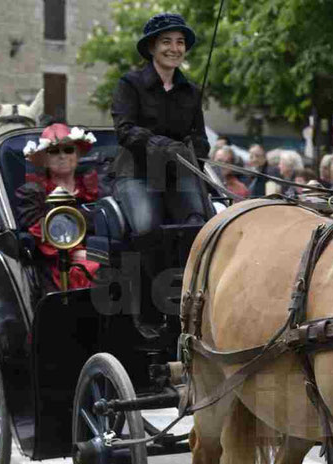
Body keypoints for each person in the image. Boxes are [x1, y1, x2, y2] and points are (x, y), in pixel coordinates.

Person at [110, 12, 210, 242]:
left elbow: (200, 137)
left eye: (180, 42)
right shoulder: (129, 84)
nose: (174, 48)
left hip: (179, 172)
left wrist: (194, 152)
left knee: (200, 225)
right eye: (166, 41)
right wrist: (165, 147)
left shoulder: (192, 92)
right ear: (152, 47)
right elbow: (125, 130)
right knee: (147, 227)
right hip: (137, 172)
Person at [14, 123, 101, 290]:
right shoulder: (32, 193)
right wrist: (75, 252)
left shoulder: (96, 188)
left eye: (68, 150)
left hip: (103, 253)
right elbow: (41, 231)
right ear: (45, 160)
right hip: (60, 264)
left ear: (77, 155)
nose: (62, 156)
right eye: (54, 152)